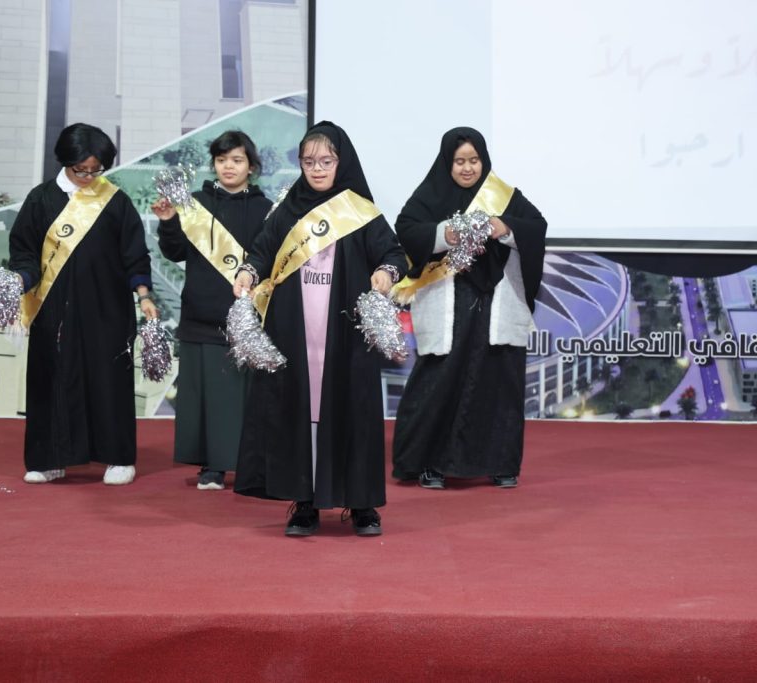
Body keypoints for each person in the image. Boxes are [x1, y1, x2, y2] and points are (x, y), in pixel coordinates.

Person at [231, 121, 407, 537]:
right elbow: (262, 250)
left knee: (353, 413)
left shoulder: (359, 210)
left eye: (326, 161)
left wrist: (385, 272)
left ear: (341, 162)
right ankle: (304, 503)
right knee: (298, 413)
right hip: (295, 331)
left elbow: (394, 253)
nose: (317, 169)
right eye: (309, 162)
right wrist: (248, 272)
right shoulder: (289, 208)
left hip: (346, 336)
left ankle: (362, 505)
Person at [391, 126, 547, 490]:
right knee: (439, 381)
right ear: (447, 162)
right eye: (459, 161)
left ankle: (501, 463)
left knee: (499, 381)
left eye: (474, 160)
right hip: (448, 299)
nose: (467, 168)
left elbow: (536, 227)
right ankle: (429, 463)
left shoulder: (505, 195)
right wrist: (446, 234)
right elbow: (406, 228)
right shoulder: (429, 195)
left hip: (497, 301)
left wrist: (503, 227)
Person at [9, 122, 158, 485]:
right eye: (81, 170)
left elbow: (135, 255)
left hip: (107, 309)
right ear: (65, 162)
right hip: (52, 309)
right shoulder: (41, 199)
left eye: (96, 170)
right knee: (51, 379)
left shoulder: (115, 201)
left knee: (109, 381)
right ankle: (49, 458)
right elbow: (24, 251)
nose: (89, 177)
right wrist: (20, 279)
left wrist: (143, 294)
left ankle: (118, 458)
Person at [151, 130, 272, 491]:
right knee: (203, 397)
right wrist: (168, 221)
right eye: (221, 160)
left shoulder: (266, 209)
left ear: (251, 166)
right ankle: (212, 466)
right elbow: (175, 252)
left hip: (246, 317)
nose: (228, 167)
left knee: (241, 397)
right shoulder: (195, 204)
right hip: (200, 315)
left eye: (236, 160)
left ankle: (248, 464)